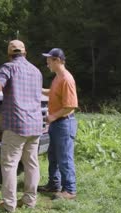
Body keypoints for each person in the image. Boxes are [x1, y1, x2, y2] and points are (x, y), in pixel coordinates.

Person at [0, 40, 43, 212]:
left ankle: (9, 205)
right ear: (25, 53)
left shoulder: (9, 67)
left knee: (10, 164)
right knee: (31, 164)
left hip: (16, 124)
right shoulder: (36, 71)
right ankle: (29, 202)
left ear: (9, 54)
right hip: (35, 123)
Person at [38, 48, 78, 200]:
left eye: (49, 60)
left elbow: (71, 106)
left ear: (58, 61)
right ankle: (54, 185)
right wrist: (40, 90)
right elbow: (53, 92)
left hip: (64, 124)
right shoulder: (58, 78)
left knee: (64, 157)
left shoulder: (67, 79)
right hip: (57, 124)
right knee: (53, 156)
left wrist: (53, 116)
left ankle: (70, 190)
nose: (47, 62)